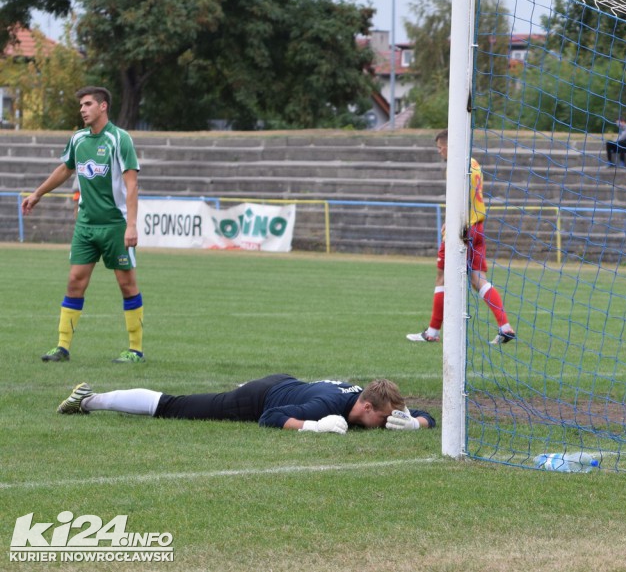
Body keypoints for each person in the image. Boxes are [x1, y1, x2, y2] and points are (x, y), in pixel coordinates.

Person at [21, 86, 145, 364]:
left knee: (127, 284)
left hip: (115, 224)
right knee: (75, 281)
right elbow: (65, 169)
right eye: (81, 105)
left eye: (88, 104)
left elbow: (132, 184)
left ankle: (135, 350)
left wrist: (132, 226)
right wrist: (37, 193)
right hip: (86, 225)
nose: (82, 109)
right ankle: (62, 347)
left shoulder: (119, 139)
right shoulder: (78, 139)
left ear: (103, 107)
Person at [407, 129, 516, 345]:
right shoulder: (474, 163)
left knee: (442, 277)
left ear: (449, 145)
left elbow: (459, 198)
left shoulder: (456, 166)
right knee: (477, 279)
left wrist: (452, 222)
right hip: (478, 227)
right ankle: (505, 327)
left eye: (440, 148)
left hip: (462, 230)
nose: (440, 152)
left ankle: (432, 332)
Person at [55, 376, 435, 432]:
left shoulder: (367, 400)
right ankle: (88, 401)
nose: (388, 424)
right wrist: (310, 428)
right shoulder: (329, 406)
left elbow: (425, 415)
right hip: (256, 399)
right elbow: (269, 418)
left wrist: (417, 422)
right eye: (385, 418)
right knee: (174, 406)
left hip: (283, 383)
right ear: (367, 408)